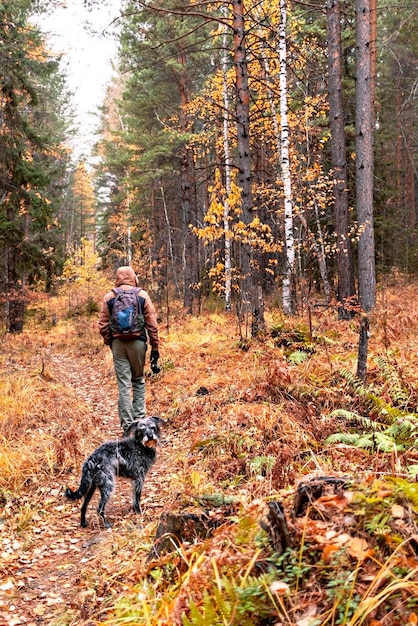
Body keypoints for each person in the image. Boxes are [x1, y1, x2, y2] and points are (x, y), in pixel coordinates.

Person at [98, 266, 160, 434]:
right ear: (133, 277)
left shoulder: (109, 297)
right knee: (138, 381)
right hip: (138, 342)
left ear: (117, 278)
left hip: (118, 343)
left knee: (123, 385)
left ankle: (128, 427)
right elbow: (152, 324)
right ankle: (140, 421)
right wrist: (155, 346)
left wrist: (110, 342)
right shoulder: (142, 295)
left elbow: (103, 324)